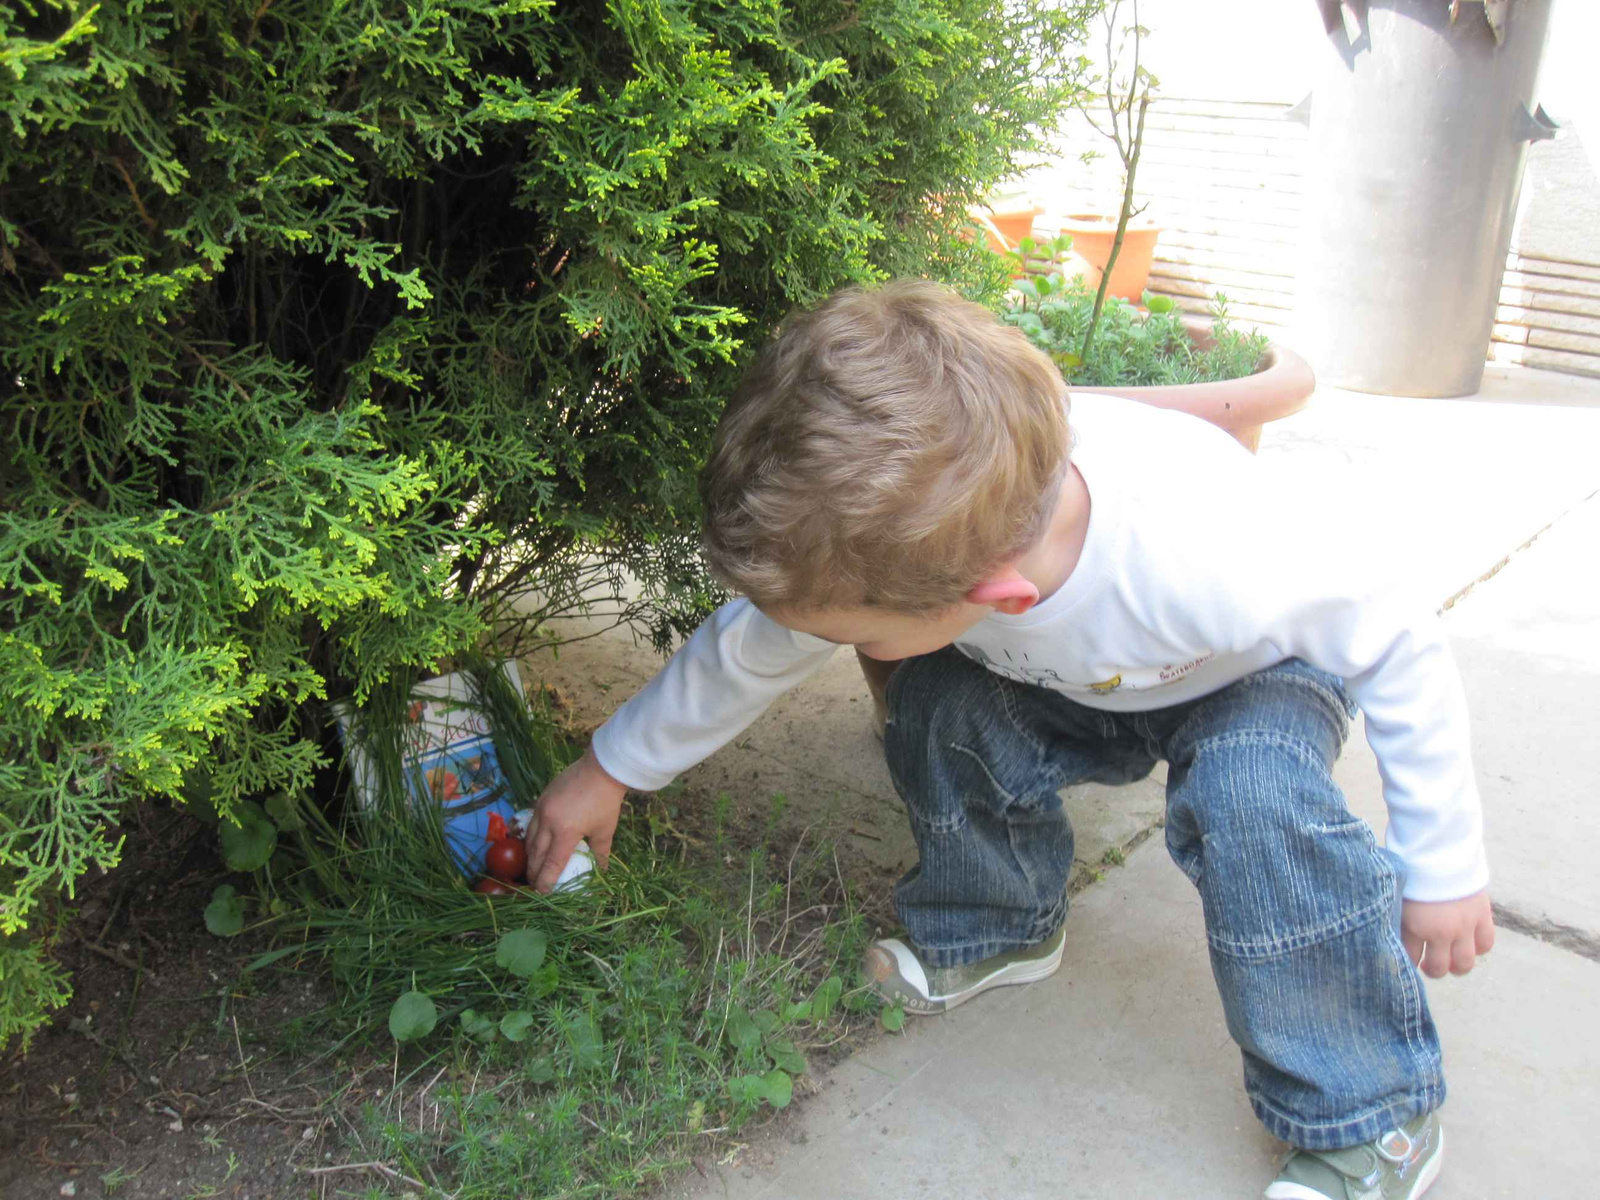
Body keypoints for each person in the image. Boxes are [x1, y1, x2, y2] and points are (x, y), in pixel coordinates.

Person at [523, 279, 1493, 1199]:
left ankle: (1370, 1114)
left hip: (1257, 676)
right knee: (942, 702)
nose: (831, 650)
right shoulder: (922, 526)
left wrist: (1441, 865)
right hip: (1087, 676)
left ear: (994, 597)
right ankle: (996, 923)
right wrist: (608, 768)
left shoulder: (1203, 549)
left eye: (850, 638)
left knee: (1252, 800)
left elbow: (1395, 642)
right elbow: (753, 649)